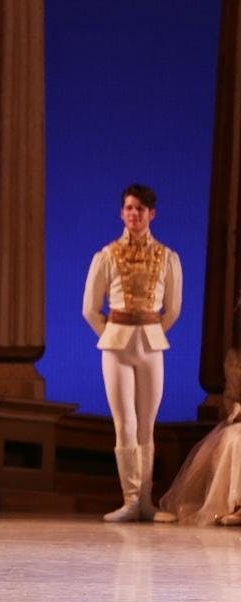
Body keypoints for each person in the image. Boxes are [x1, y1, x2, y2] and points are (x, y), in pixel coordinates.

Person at [82, 184, 181, 523]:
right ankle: (130, 499)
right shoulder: (106, 255)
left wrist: (149, 331)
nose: (134, 214)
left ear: (151, 213)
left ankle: (147, 501)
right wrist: (112, 334)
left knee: (146, 425)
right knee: (124, 422)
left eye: (140, 208)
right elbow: (90, 309)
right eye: (128, 208)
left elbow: (173, 309)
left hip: (151, 345)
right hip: (117, 346)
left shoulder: (168, 257)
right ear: (122, 212)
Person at [159, 346, 241, 525]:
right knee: (231, 439)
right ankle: (234, 506)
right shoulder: (235, 357)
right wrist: (235, 412)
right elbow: (231, 397)